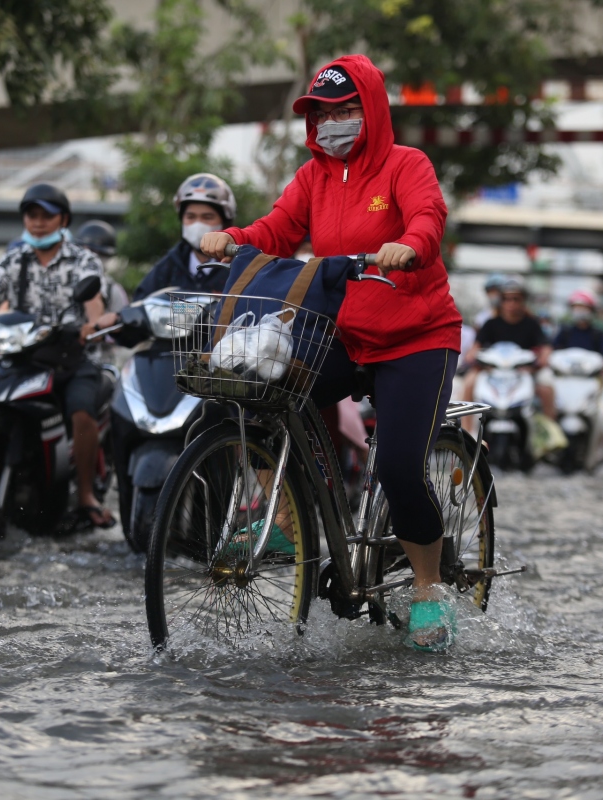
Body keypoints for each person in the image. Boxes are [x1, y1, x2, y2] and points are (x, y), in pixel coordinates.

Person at [200, 55, 462, 651]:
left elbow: (428, 217)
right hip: (344, 332)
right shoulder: (313, 176)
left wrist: (409, 245)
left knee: (398, 466)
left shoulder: (405, 164)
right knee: (257, 392)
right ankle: (290, 516)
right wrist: (236, 240)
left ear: (369, 110)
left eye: (346, 111)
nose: (334, 123)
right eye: (324, 114)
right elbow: (277, 229)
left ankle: (426, 589)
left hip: (416, 336)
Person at [0, 183, 115, 529]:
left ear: (63, 219)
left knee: (82, 412)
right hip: (21, 356)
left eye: (47, 216)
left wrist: (92, 324)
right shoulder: (15, 258)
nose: (38, 223)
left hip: (69, 356)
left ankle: (85, 494)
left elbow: (94, 301)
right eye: (31, 215)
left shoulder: (84, 260)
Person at [461, 279, 556, 421]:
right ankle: (467, 434)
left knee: (546, 387)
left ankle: (549, 435)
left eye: (516, 299)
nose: (511, 303)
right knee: (468, 384)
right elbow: (475, 347)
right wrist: (473, 357)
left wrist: (541, 361)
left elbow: (546, 347)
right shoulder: (490, 324)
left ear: (523, 300)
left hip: (525, 371)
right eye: (506, 299)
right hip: (493, 371)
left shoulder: (532, 324)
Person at [132, 173, 237, 300]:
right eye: (191, 217)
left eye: (207, 217)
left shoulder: (238, 266)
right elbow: (140, 301)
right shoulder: (172, 262)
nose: (198, 224)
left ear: (225, 221)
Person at [552, 290, 603, 355]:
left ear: (591, 310)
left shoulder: (597, 334)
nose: (580, 311)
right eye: (576, 308)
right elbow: (554, 351)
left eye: (583, 307)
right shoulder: (565, 331)